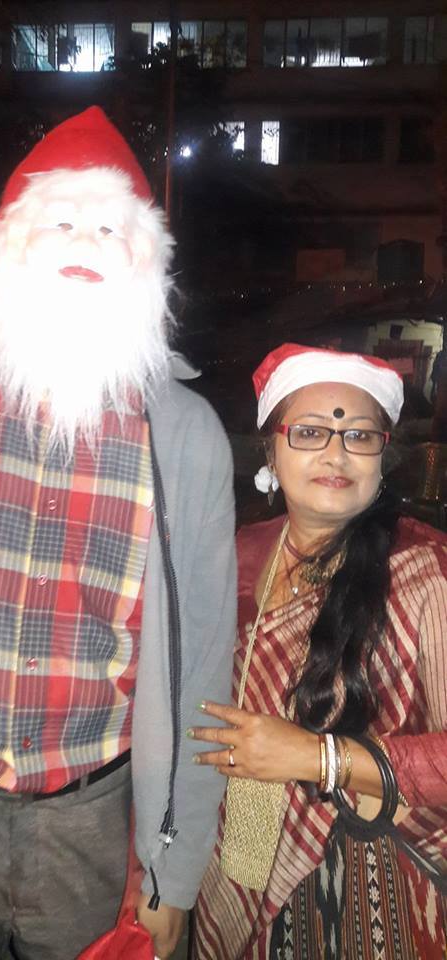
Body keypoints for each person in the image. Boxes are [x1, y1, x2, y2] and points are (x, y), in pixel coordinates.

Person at [0, 107, 236, 960]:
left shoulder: (186, 436)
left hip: (97, 821)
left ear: (147, 265)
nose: (84, 242)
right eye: (59, 221)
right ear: (6, 247)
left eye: (110, 228)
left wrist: (174, 868)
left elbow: (203, 663)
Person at [190, 343, 447, 959]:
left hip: (368, 877)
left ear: (383, 457)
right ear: (270, 452)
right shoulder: (235, 552)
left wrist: (319, 757)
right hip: (238, 845)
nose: (337, 453)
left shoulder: (426, 571)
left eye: (360, 436)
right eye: (309, 432)